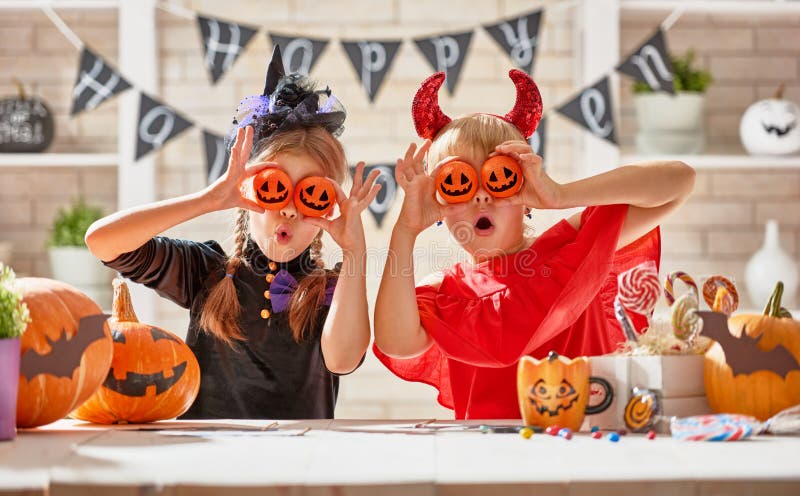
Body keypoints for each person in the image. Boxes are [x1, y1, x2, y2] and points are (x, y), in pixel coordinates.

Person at [373, 70, 696, 419]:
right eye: (459, 183)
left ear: (525, 193)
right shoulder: (444, 292)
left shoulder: (570, 249)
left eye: (499, 179)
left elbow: (679, 181)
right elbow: (396, 342)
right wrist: (405, 231)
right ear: (441, 205)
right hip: (489, 459)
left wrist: (560, 195)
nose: (482, 196)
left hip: (585, 446)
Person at [85, 47, 380, 419]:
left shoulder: (333, 288)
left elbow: (343, 358)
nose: (289, 208)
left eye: (311, 194)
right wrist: (208, 200)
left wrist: (355, 252)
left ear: (328, 206)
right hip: (208, 463)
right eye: (275, 188)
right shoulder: (204, 269)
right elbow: (102, 241)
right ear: (249, 192)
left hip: (299, 465)